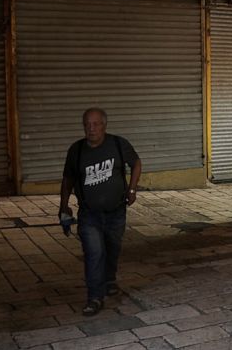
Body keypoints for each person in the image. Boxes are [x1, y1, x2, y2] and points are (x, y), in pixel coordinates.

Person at [59, 107, 143, 316]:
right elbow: (68, 179)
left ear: (104, 126)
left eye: (96, 124)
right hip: (89, 214)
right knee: (94, 253)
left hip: (116, 211)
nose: (91, 128)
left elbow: (136, 163)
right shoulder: (76, 150)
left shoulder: (117, 144)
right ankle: (94, 297)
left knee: (112, 248)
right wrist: (63, 205)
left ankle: (109, 279)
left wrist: (132, 188)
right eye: (87, 124)